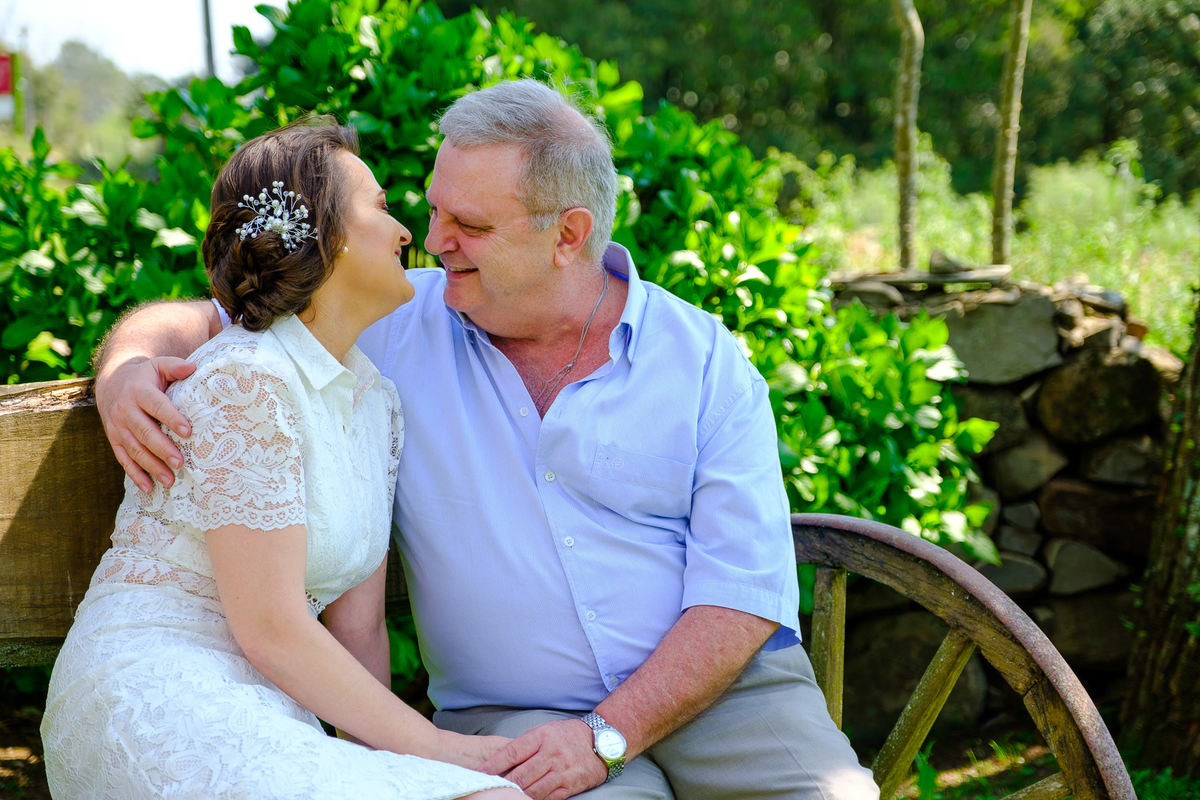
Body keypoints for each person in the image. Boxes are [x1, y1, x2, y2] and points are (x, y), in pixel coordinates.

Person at [93, 81, 879, 800]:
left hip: (726, 699)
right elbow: (218, 319)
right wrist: (125, 367)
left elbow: (738, 593)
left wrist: (607, 735)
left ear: (568, 235)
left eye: (469, 225)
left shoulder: (704, 360)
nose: (434, 241)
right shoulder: (388, 321)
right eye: (432, 210)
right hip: (512, 718)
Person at [41, 119, 525, 800]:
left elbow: (357, 635)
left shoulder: (374, 403)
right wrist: (443, 750)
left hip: (267, 705)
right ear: (330, 237)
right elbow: (270, 626)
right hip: (155, 692)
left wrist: (414, 772)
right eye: (382, 208)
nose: (406, 232)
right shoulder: (245, 380)